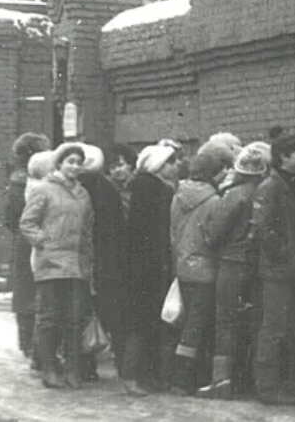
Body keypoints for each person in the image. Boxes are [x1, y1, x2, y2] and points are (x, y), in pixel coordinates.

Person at [20, 143, 95, 390]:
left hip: (76, 265)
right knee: (49, 318)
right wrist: (45, 242)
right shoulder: (44, 190)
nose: (74, 166)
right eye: (70, 161)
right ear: (59, 163)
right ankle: (49, 368)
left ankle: (72, 370)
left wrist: (87, 258)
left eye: (78, 162)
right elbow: (28, 223)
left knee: (73, 319)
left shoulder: (83, 194)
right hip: (51, 264)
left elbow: (87, 229)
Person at [251, 133, 295, 406]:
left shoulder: (287, 184)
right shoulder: (272, 187)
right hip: (279, 271)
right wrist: (287, 256)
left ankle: (286, 385)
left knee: (288, 328)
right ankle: (266, 388)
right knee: (274, 329)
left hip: (289, 270)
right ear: (283, 157)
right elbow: (263, 230)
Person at [201, 142, 269, 400]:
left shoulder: (234, 195)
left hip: (231, 263)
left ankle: (222, 380)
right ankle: (251, 378)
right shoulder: (267, 192)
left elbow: (215, 232)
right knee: (254, 320)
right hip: (259, 265)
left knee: (226, 320)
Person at [169, 144, 231, 395]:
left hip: (183, 266)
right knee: (198, 325)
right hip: (206, 270)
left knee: (187, 323)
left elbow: (173, 232)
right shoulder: (215, 201)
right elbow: (215, 237)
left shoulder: (178, 195)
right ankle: (184, 380)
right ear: (213, 173)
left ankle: (179, 377)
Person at [120, 141, 180, 396]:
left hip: (142, 265)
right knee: (145, 322)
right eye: (171, 162)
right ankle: (134, 375)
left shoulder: (144, 186)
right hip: (150, 267)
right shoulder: (157, 190)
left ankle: (140, 374)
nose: (176, 166)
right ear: (159, 165)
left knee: (145, 321)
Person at [77, 144, 127, 381]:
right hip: (108, 261)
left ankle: (84, 364)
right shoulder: (108, 189)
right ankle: (119, 359)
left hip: (82, 260)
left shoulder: (75, 188)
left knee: (83, 313)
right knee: (111, 313)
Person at [6, 134, 51, 364]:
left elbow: (9, 219)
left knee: (25, 293)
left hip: (23, 243)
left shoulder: (17, 181)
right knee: (34, 293)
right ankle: (32, 344)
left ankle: (27, 342)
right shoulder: (40, 182)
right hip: (35, 242)